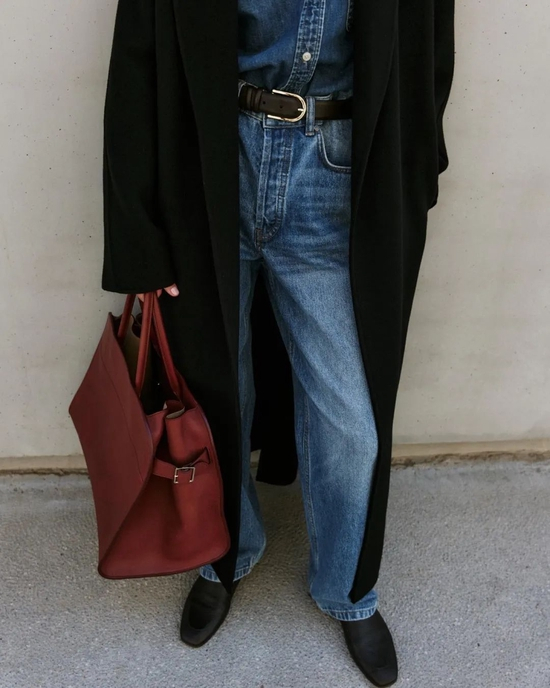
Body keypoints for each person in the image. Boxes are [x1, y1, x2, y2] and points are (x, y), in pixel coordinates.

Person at [102, 0, 455, 685]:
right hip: (210, 164)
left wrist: (417, 166)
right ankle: (223, 556)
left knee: (350, 423)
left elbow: (430, 43)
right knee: (214, 391)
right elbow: (137, 57)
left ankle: (348, 588)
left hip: (336, 172)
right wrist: (140, 239)